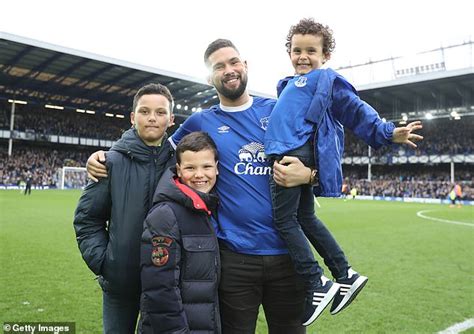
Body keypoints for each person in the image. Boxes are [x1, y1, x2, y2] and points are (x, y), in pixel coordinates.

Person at [87, 39, 313, 333]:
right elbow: (152, 145)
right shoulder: (199, 121)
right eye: (219, 66)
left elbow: (321, 154)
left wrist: (309, 175)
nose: (229, 70)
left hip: (287, 254)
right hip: (233, 257)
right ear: (210, 77)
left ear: (245, 65)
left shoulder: (278, 110)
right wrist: (106, 155)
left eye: (233, 62)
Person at [264, 18, 423, 325]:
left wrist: (388, 131)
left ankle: (316, 282)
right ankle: (345, 275)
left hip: (292, 154)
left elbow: (354, 108)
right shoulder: (287, 84)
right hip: (290, 151)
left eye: (311, 50)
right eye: (297, 50)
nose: (303, 56)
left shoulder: (326, 80)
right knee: (305, 217)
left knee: (283, 220)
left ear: (326, 55)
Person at [73, 83, 175, 334]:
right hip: (120, 286)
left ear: (171, 119)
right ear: (133, 117)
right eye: (144, 111)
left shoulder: (181, 163)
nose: (152, 118)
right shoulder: (110, 162)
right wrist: (106, 263)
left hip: (167, 285)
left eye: (160, 112)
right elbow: (88, 220)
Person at [139, 131, 221, 333]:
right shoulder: (165, 215)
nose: (199, 175)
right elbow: (160, 290)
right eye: (190, 168)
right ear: (178, 170)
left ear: (217, 169)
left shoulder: (207, 209)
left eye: (206, 167)